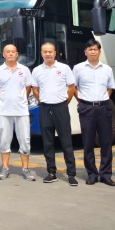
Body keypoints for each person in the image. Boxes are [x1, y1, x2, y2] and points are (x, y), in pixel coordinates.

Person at [32, 42, 77, 186]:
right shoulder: (37, 70)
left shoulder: (64, 68)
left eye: (50, 51)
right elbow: (35, 89)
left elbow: (71, 87)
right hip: (45, 108)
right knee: (48, 142)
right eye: (45, 52)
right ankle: (51, 172)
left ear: (55, 53)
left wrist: (64, 102)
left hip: (60, 107)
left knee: (66, 141)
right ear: (41, 53)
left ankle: (71, 174)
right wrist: (42, 101)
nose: (48, 54)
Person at [73, 39, 115, 186]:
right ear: (85, 52)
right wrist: (82, 101)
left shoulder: (107, 69)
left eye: (95, 49)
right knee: (88, 142)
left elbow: (110, 88)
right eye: (90, 49)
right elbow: (74, 87)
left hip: (104, 107)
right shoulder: (78, 68)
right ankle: (91, 174)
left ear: (99, 52)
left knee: (106, 142)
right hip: (86, 108)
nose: (92, 52)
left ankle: (105, 174)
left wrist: (103, 99)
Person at [0, 44, 35, 182]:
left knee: (25, 141)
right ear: (3, 54)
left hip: (21, 111)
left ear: (17, 54)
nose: (10, 54)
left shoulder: (25, 70)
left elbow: (28, 88)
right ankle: (5, 168)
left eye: (13, 52)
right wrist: (5, 99)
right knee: (5, 140)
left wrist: (20, 99)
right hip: (4, 111)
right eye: (7, 52)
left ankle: (25, 169)